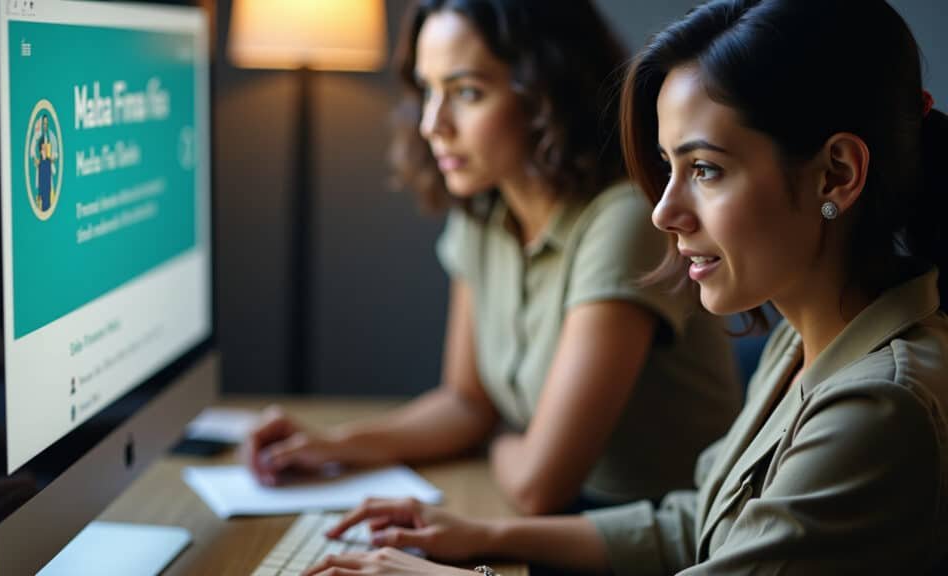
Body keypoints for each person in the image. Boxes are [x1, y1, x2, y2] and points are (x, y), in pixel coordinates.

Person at [300, 0, 948, 574]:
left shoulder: (880, 409)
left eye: (706, 169)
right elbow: (694, 527)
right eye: (669, 167)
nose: (664, 213)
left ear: (835, 173)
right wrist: (483, 534)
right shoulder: (805, 343)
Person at [244, 0, 740, 516]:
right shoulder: (485, 209)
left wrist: (495, 438)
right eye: (428, 90)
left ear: (546, 91)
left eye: (467, 93)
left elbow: (537, 485)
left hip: (637, 538)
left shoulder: (626, 221)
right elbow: (465, 403)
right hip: (556, 521)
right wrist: (332, 445)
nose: (433, 124)